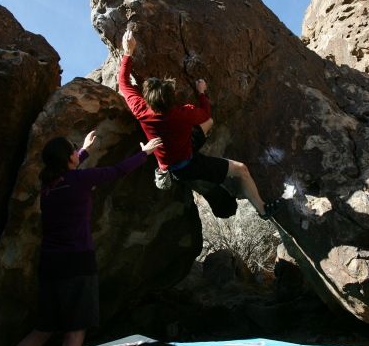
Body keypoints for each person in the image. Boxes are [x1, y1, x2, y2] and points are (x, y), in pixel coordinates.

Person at [0, 129, 162, 346]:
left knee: (41, 330)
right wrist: (147, 152)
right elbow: (116, 171)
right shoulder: (78, 180)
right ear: (67, 159)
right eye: (73, 150)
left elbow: (70, 172)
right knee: (74, 336)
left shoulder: (49, 185)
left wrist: (84, 150)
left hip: (50, 267)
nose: (78, 151)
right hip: (77, 265)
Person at [118, 30, 280, 219]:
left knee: (206, 126)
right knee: (241, 169)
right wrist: (201, 92)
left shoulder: (141, 110)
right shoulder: (183, 114)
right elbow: (205, 114)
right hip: (188, 165)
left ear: (148, 99)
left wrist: (127, 52)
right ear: (171, 98)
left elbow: (123, 82)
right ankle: (263, 210)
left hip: (172, 159)